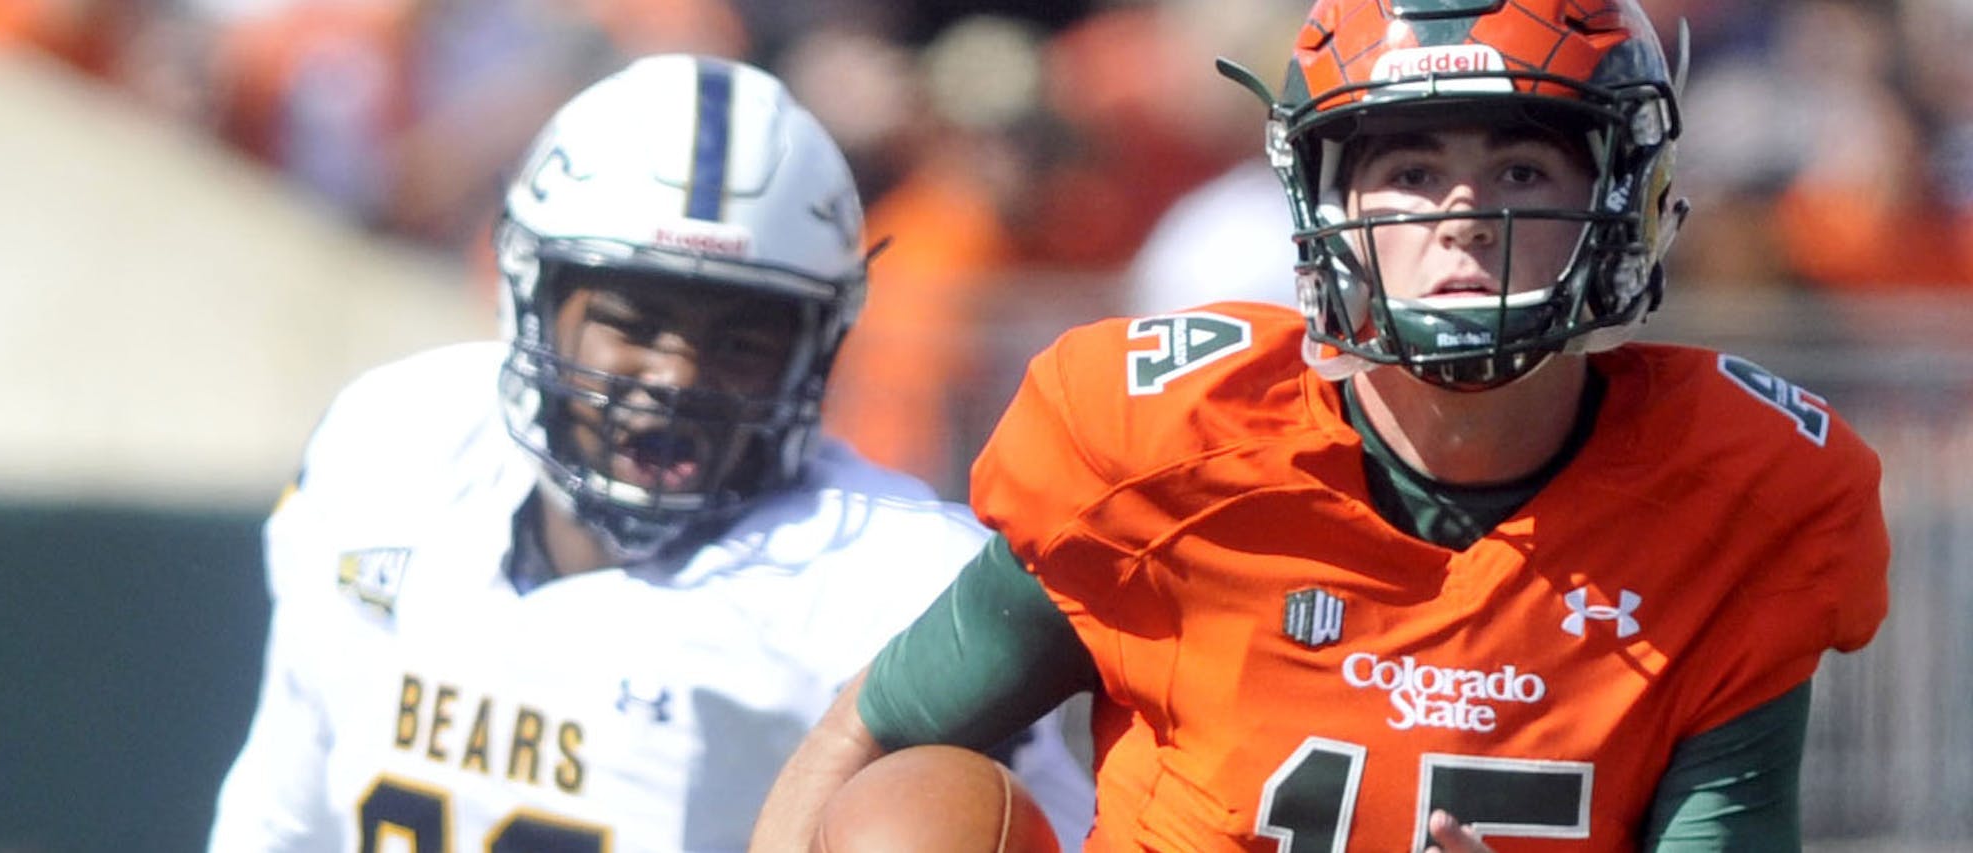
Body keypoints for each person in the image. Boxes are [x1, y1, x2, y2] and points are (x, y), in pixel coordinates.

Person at [752, 1, 1891, 850]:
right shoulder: (1168, 454)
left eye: (1522, 164)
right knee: (909, 822)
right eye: (1408, 168)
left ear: (1623, 201)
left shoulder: (1738, 498)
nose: (1464, 218)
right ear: (1325, 210)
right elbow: (872, 732)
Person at [207, 53, 1094, 852]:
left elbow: (1050, 826)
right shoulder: (397, 441)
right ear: (532, 301)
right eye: (631, 324)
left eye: (740, 342)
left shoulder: (884, 579)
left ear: (814, 348)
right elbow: (282, 808)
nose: (675, 376)